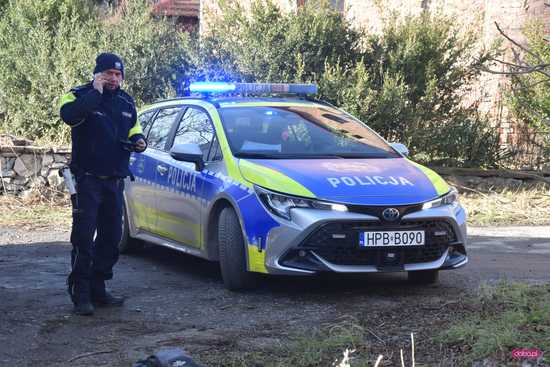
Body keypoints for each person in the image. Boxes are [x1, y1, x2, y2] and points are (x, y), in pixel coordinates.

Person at [59, 53, 147, 316]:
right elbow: (70, 116)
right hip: (87, 180)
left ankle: (99, 287)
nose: (114, 78)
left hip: (115, 180)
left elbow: (135, 128)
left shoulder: (126, 101)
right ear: (98, 73)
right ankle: (81, 293)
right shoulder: (77, 94)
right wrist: (95, 94)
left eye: (118, 74)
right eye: (109, 73)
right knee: (84, 238)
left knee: (110, 238)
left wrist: (140, 140)